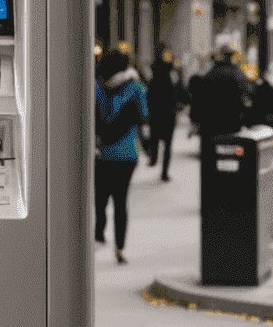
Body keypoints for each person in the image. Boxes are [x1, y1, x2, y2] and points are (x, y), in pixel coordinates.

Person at [94, 48, 148, 264]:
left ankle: (98, 231)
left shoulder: (97, 87)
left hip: (102, 153)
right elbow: (144, 117)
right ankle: (119, 248)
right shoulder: (136, 88)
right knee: (121, 201)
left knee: (100, 197)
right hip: (127, 154)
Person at [187, 44, 252, 145]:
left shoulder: (210, 75)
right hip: (234, 124)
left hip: (210, 125)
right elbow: (247, 99)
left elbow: (199, 100)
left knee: (208, 154)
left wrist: (195, 121)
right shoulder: (238, 74)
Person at [145, 46, 181, 180]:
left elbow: (149, 95)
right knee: (167, 144)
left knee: (154, 138)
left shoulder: (154, 75)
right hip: (168, 113)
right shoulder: (172, 74)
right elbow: (177, 91)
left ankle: (154, 158)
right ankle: (164, 172)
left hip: (156, 112)